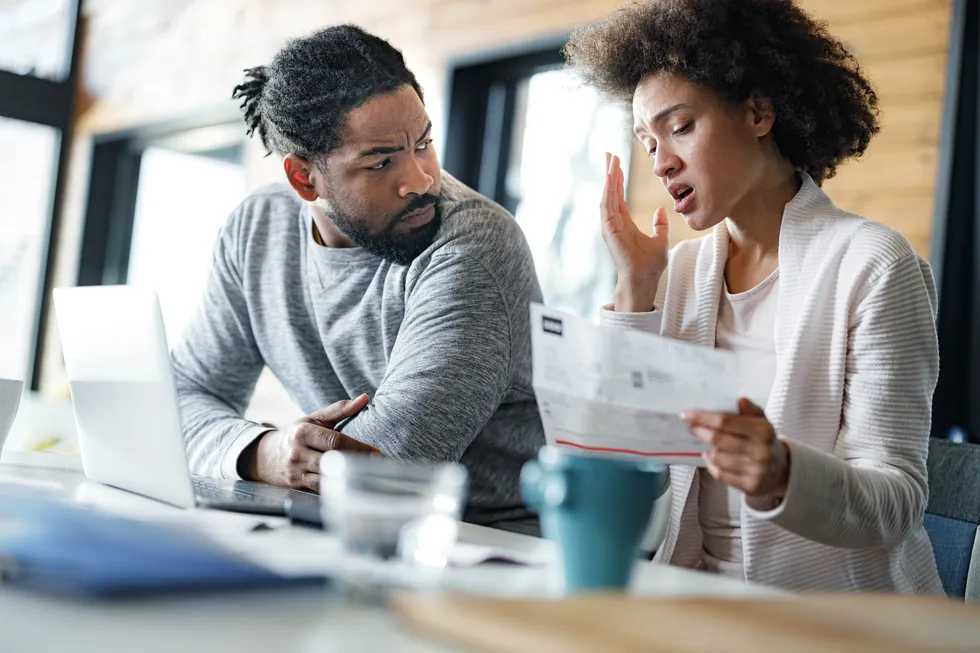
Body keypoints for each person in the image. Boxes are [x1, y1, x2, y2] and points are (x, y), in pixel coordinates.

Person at [565, 0, 943, 592]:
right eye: (647, 141)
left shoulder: (873, 262)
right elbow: (615, 475)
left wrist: (782, 474)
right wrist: (635, 291)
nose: (662, 162)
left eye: (680, 127)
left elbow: (896, 501)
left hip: (834, 618)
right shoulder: (680, 271)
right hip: (696, 598)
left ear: (759, 112)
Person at [171, 25, 545, 532]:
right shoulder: (258, 230)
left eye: (424, 143)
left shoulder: (473, 245)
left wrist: (292, 457)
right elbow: (182, 395)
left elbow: (384, 462)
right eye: (381, 161)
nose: (421, 179)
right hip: (336, 525)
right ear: (305, 179)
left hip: (490, 542)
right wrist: (264, 451)